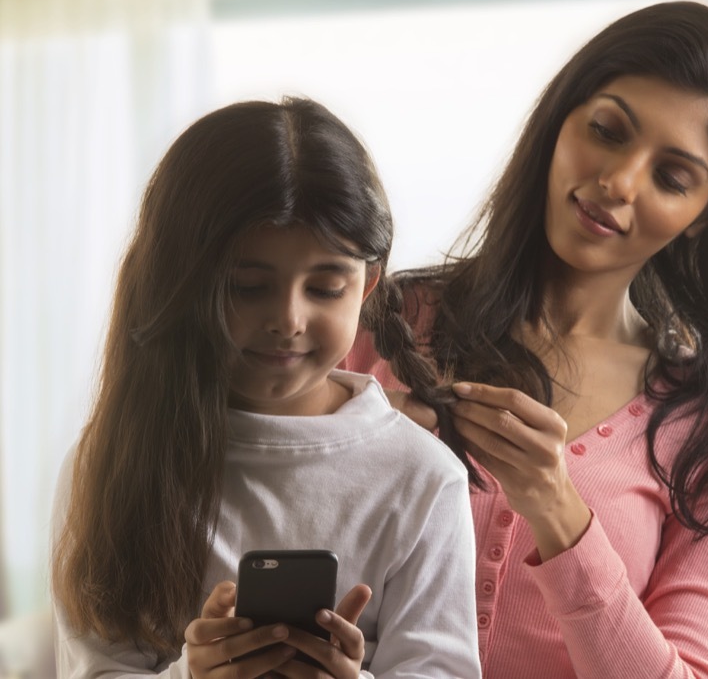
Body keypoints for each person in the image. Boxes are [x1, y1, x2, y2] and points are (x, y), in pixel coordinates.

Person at [342, 1, 708, 678]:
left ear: (705, 216)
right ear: (562, 119)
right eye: (608, 131)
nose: (618, 182)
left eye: (671, 177)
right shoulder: (383, 322)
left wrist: (557, 509)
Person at [50, 97, 481, 678]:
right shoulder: (110, 464)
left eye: (325, 287)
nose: (289, 319)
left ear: (368, 283)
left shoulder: (423, 479)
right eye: (248, 286)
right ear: (181, 285)